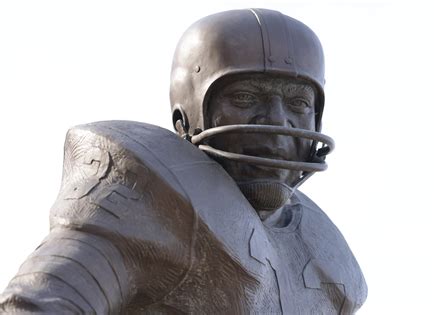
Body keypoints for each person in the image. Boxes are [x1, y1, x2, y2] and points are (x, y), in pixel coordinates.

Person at [0, 8, 367, 314]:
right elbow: (37, 304)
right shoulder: (144, 193)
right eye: (244, 97)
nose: (276, 124)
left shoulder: (326, 257)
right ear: (186, 117)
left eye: (298, 104)